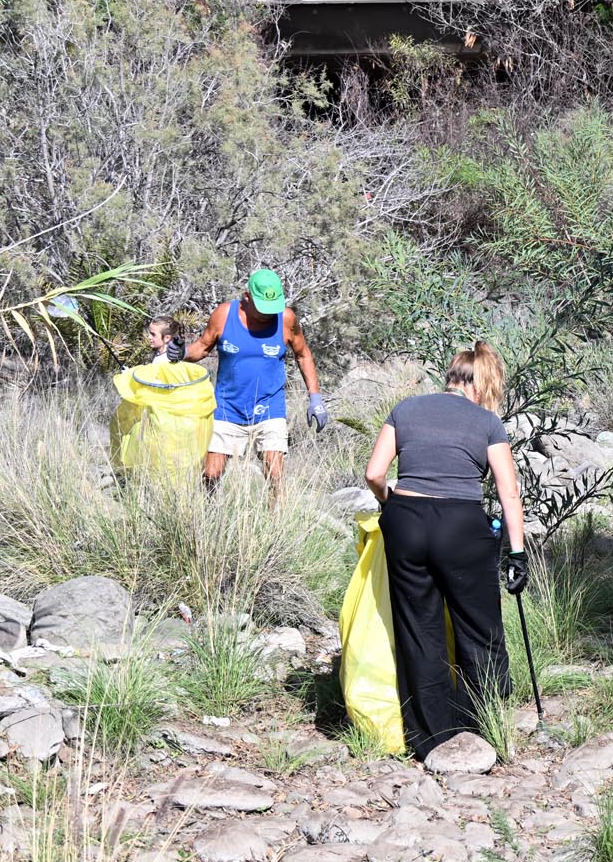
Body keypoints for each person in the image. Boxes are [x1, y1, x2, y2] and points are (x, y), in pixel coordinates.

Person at [362, 340, 527, 761]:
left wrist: (392, 503)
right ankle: (481, 726)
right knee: (479, 629)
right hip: (461, 527)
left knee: (420, 630)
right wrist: (517, 553)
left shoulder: (406, 409)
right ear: (481, 384)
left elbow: (375, 473)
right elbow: (509, 494)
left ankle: (429, 740)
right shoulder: (487, 422)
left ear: (450, 377)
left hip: (406, 521)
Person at [185, 268, 326, 502]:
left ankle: (276, 523)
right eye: (262, 308)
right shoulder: (224, 314)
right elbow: (202, 347)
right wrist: (180, 352)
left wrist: (316, 399)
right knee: (211, 473)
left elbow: (303, 355)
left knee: (275, 473)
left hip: (269, 406)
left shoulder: (287, 319)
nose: (268, 314)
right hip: (227, 406)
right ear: (246, 297)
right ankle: (208, 516)